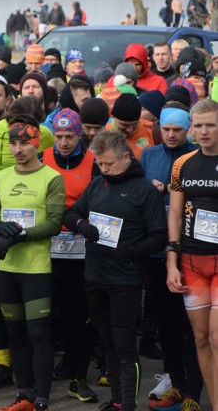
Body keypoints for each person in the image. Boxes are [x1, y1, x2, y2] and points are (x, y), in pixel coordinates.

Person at [63, 130, 166, 411]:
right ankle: (118, 401)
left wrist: (131, 252)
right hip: (95, 274)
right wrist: (82, 226)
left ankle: (128, 405)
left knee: (124, 347)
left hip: (125, 278)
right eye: (99, 163)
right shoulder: (98, 185)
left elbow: (159, 235)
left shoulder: (144, 189)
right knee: (106, 342)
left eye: (108, 163)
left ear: (125, 157)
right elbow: (70, 214)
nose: (103, 169)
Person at [0, 115, 64, 411]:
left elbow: (54, 223)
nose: (18, 149)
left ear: (37, 144)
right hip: (7, 269)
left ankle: (42, 396)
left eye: (24, 143)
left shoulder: (51, 178)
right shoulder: (2, 178)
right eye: (13, 143)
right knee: (14, 331)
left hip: (36, 269)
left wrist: (20, 235)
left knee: (38, 333)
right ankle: (23, 392)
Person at [140, 107, 203, 411]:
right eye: (166, 129)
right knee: (165, 323)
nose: (171, 135)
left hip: (191, 249)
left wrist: (165, 190)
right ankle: (176, 384)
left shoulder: (196, 158)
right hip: (156, 250)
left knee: (191, 326)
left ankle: (194, 389)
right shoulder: (149, 156)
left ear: (188, 129)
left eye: (177, 129)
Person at [41, 109, 101, 404]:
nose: (63, 142)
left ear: (80, 135)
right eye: (59, 136)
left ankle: (80, 376)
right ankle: (65, 361)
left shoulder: (92, 162)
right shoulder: (44, 158)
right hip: (49, 246)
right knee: (54, 313)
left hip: (82, 246)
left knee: (81, 313)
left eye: (70, 136)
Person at [166, 99, 218, 409]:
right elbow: (173, 214)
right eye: (198, 125)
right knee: (200, 339)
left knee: (216, 338)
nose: (204, 131)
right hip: (191, 263)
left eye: (210, 124)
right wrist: (172, 262)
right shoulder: (181, 164)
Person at [107, 93, 154, 159]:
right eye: (124, 125)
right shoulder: (102, 133)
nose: (130, 129)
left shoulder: (153, 130)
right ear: (112, 116)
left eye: (135, 124)